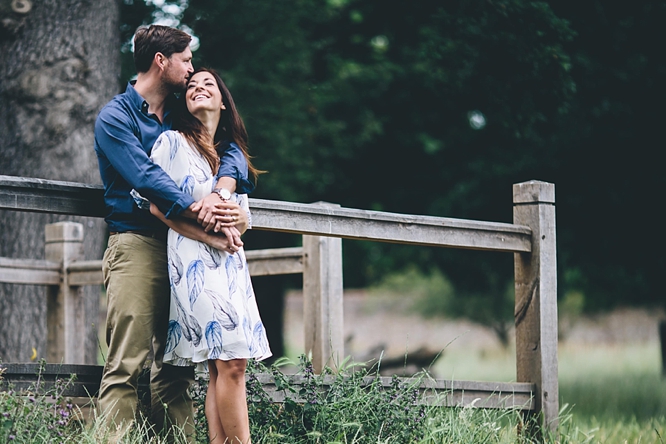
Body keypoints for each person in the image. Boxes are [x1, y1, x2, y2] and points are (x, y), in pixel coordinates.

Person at [93, 25, 252, 441]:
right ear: (161, 61)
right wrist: (198, 209)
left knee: (177, 368)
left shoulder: (181, 114)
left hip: (185, 253)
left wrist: (223, 187)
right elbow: (144, 177)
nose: (191, 68)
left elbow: (228, 144)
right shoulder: (116, 117)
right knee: (127, 363)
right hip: (139, 244)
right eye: (186, 60)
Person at [145, 67, 271, 444]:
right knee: (231, 362)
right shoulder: (171, 142)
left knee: (226, 367)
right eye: (192, 85)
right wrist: (210, 231)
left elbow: (244, 217)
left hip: (232, 265)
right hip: (193, 261)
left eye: (208, 85)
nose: (198, 88)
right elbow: (156, 206)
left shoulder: (229, 155)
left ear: (222, 100)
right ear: (184, 100)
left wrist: (235, 217)